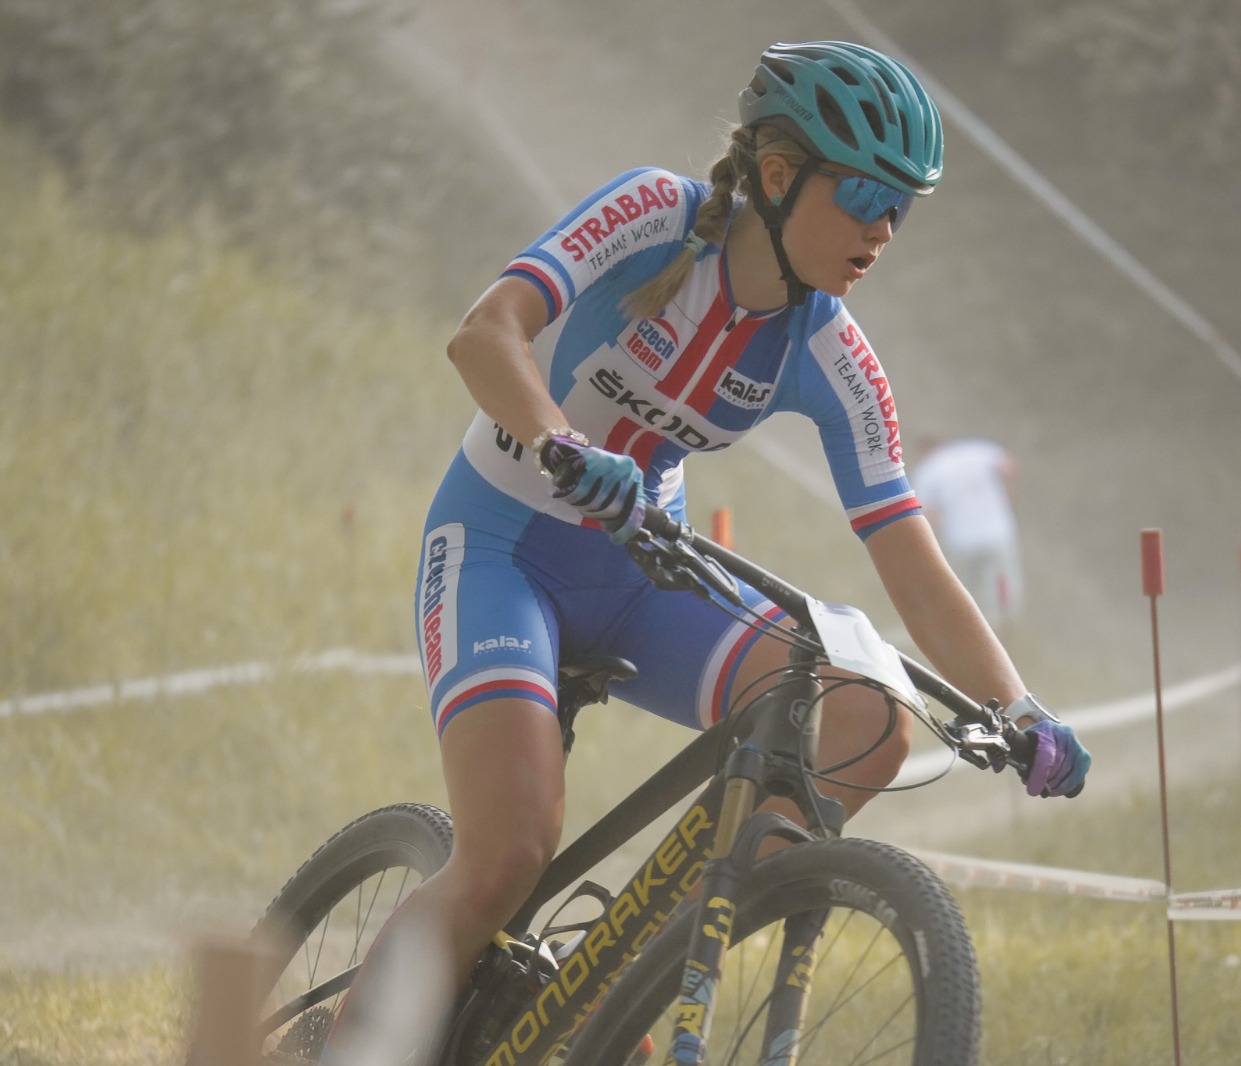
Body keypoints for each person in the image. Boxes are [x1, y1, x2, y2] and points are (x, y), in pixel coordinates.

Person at [325, 40, 1090, 1060]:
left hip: (642, 572)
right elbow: (484, 333)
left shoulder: (831, 351)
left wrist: (1018, 708)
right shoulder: (654, 215)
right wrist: (560, 443)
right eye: (866, 196)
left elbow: (910, 556)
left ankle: (621, 985)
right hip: (502, 546)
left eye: (902, 209)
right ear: (776, 174)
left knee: (867, 722)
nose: (882, 230)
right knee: (508, 850)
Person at [912, 436, 1024, 638]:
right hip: (997, 533)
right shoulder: (976, 451)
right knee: (1000, 587)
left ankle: (969, 635)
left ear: (924, 452)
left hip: (961, 541)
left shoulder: (927, 470)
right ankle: (1001, 631)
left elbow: (928, 515)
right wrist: (1008, 499)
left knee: (966, 592)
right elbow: (1008, 467)